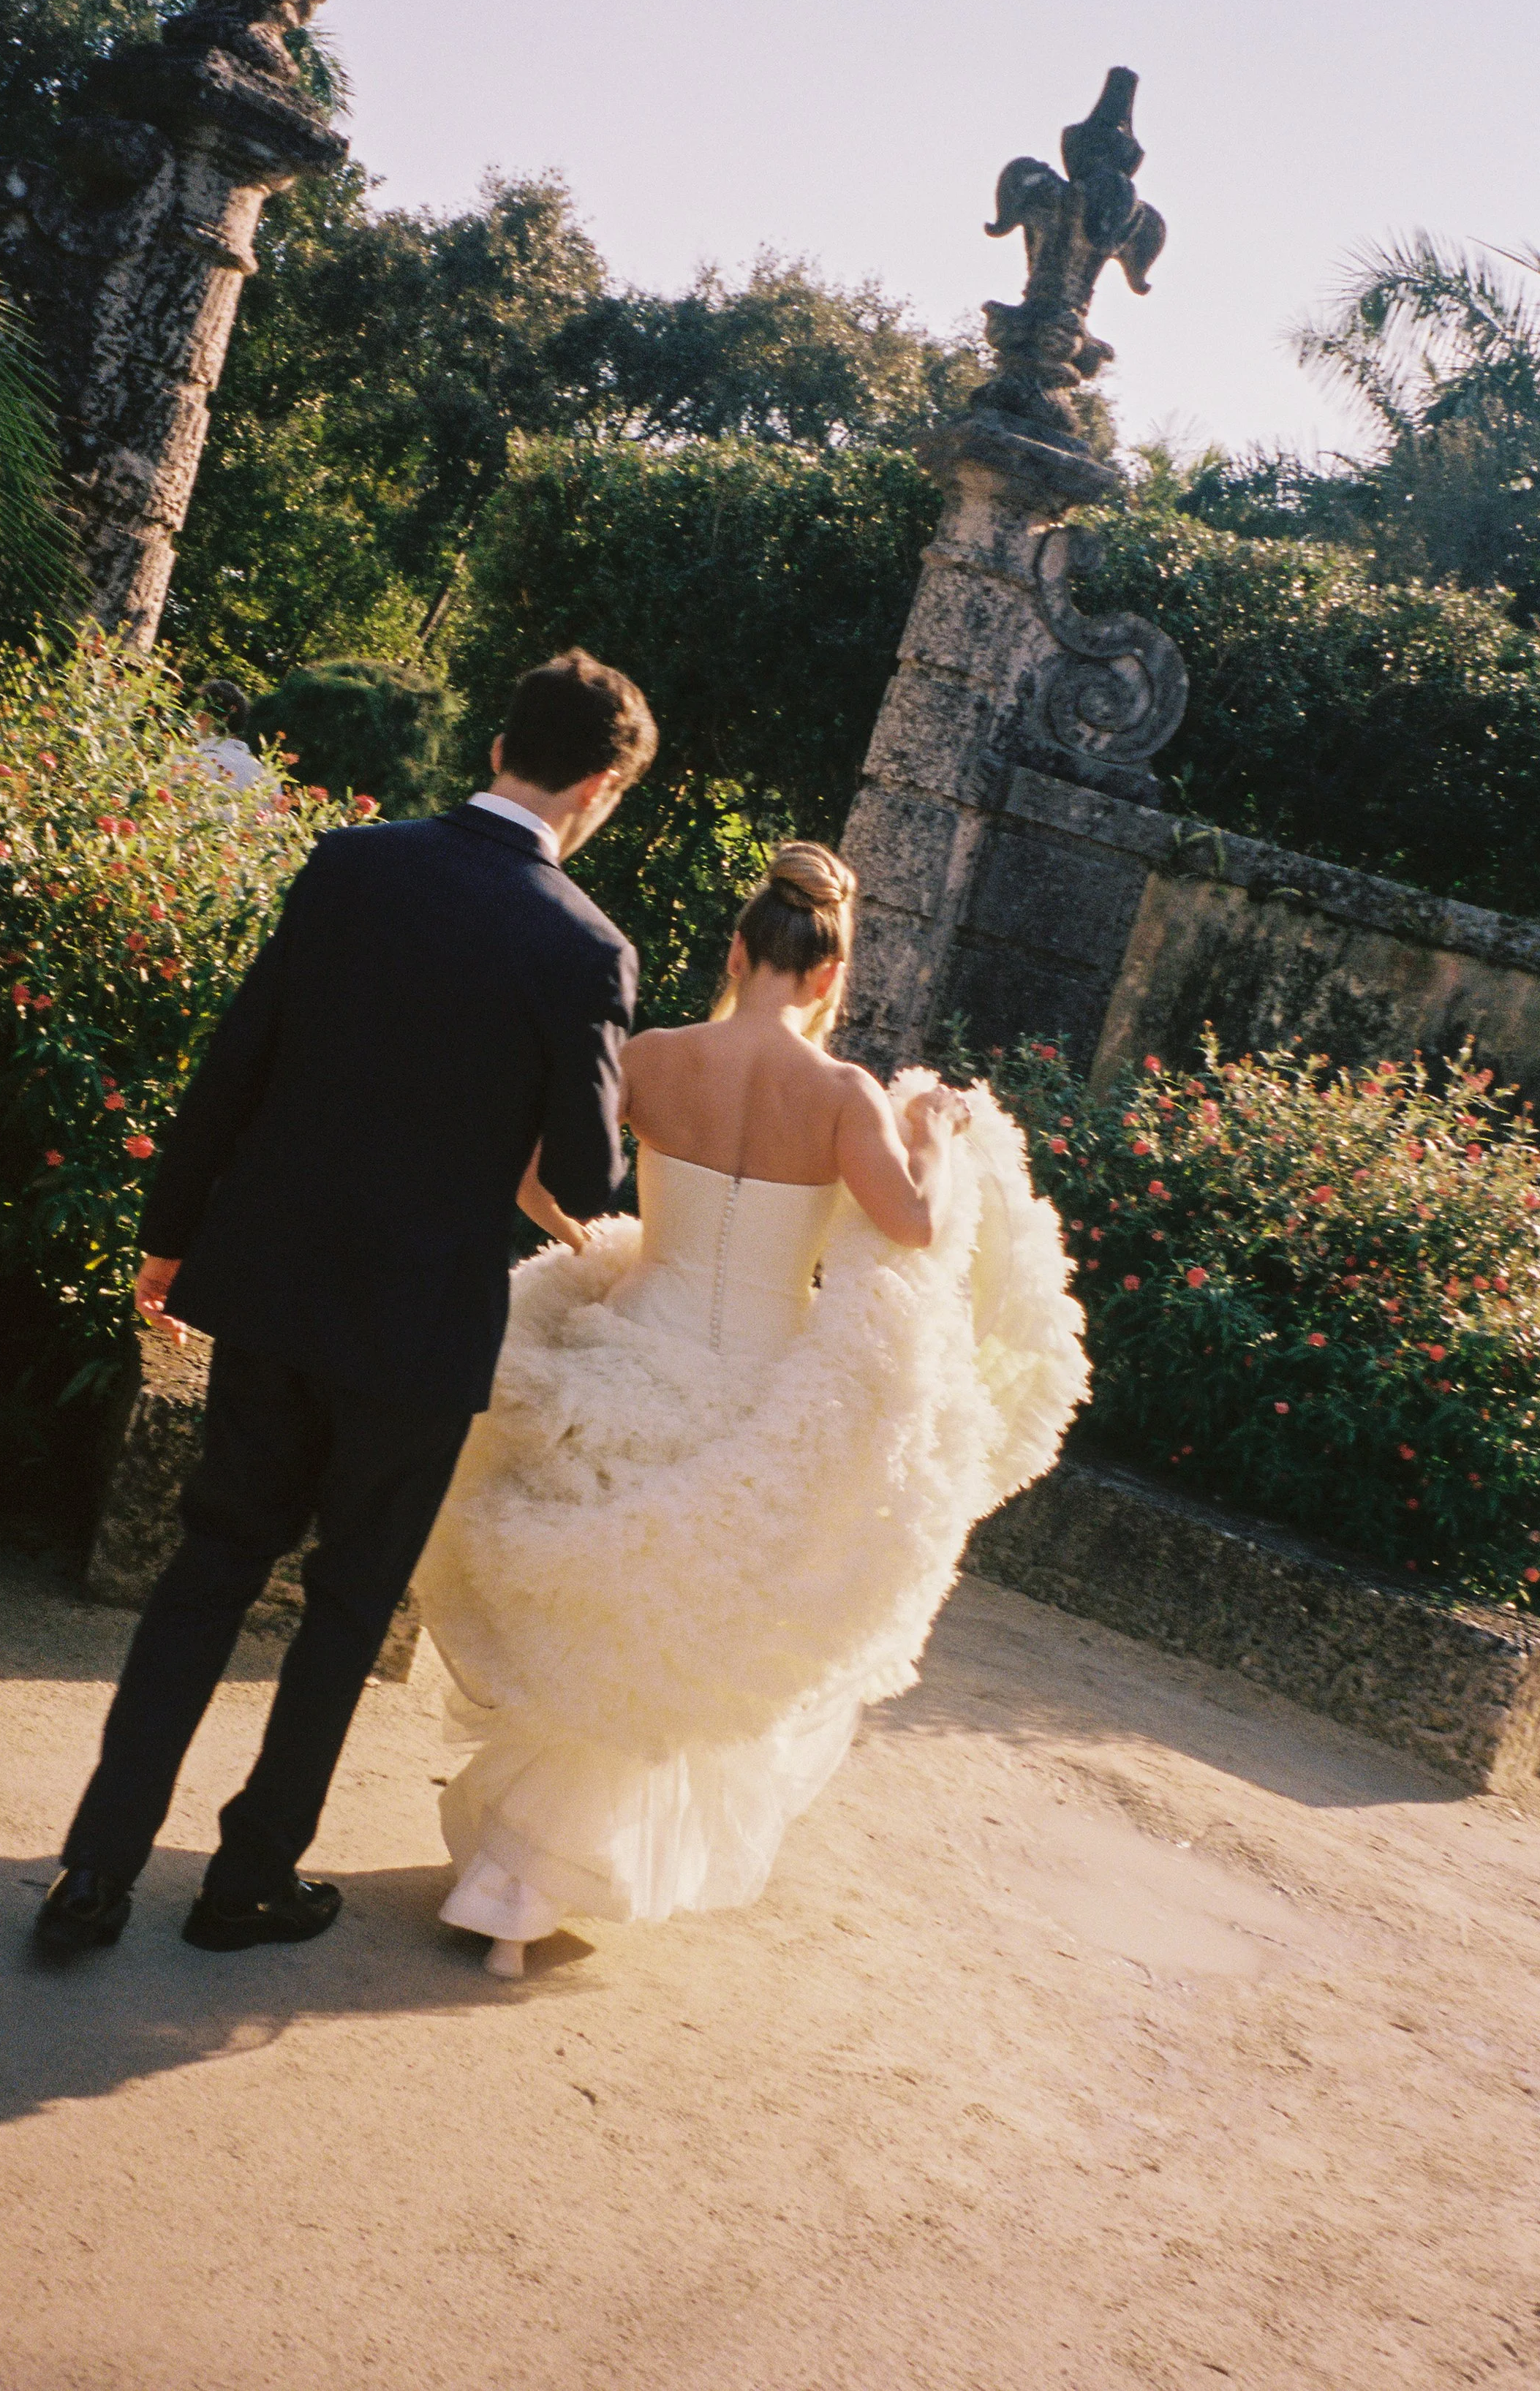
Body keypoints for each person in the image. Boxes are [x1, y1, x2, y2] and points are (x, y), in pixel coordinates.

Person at [37, 650, 657, 1957]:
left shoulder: (351, 863)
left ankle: (93, 1872)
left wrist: (171, 1237)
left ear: (499, 744)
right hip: (418, 1329)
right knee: (344, 1606)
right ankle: (248, 1879)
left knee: (208, 1568)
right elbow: (593, 1176)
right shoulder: (588, 948)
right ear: (599, 788)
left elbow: (239, 1055)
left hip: (273, 1281)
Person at [415, 842, 1090, 1980]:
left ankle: (516, 1876)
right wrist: (930, 1143)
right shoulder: (843, 1097)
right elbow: (915, 1229)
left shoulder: (653, 1057)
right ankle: (523, 1886)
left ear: (736, 950)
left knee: (595, 1613)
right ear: (829, 977)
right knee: (672, 1634)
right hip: (754, 1394)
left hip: (624, 1354)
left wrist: (591, 1247)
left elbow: (533, 1175)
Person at [192, 677, 266, 789]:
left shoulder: (190, 761)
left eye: (200, 711)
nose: (196, 718)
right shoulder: (265, 777)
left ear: (208, 716)